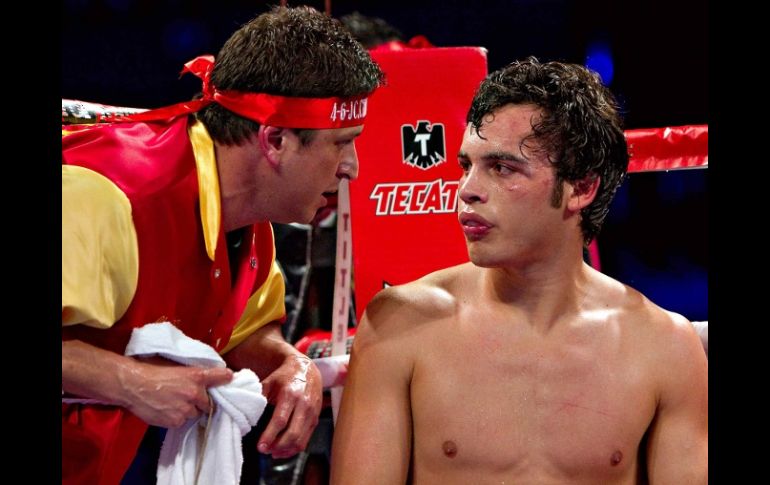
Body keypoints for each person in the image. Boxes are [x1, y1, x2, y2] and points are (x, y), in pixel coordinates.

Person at [331, 57, 707, 484]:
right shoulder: (400, 324)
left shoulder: (665, 348)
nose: (468, 190)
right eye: (465, 165)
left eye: (502, 168)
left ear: (581, 187)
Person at [62, 6, 383, 484]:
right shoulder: (108, 194)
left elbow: (246, 334)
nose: (352, 167)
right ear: (275, 140)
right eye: (342, 143)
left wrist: (291, 365)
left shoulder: (248, 220)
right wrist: (130, 381)